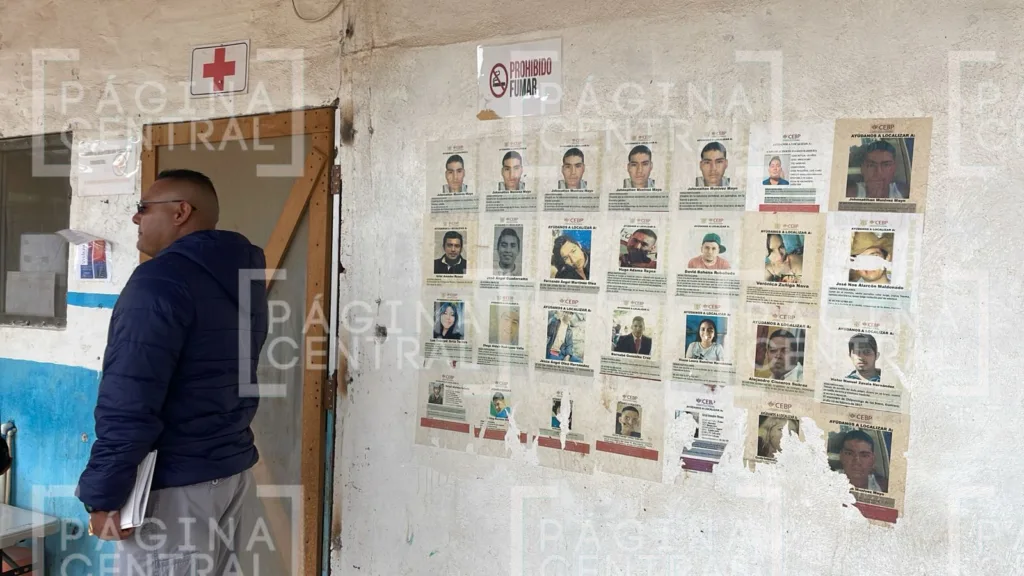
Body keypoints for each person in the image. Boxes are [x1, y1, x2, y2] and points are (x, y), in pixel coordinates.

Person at [76, 169, 270, 573]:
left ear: (181, 212)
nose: (136, 217)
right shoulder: (242, 279)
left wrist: (104, 494)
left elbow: (130, 399)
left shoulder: (159, 282)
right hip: (230, 477)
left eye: (143, 208)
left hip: (171, 490)